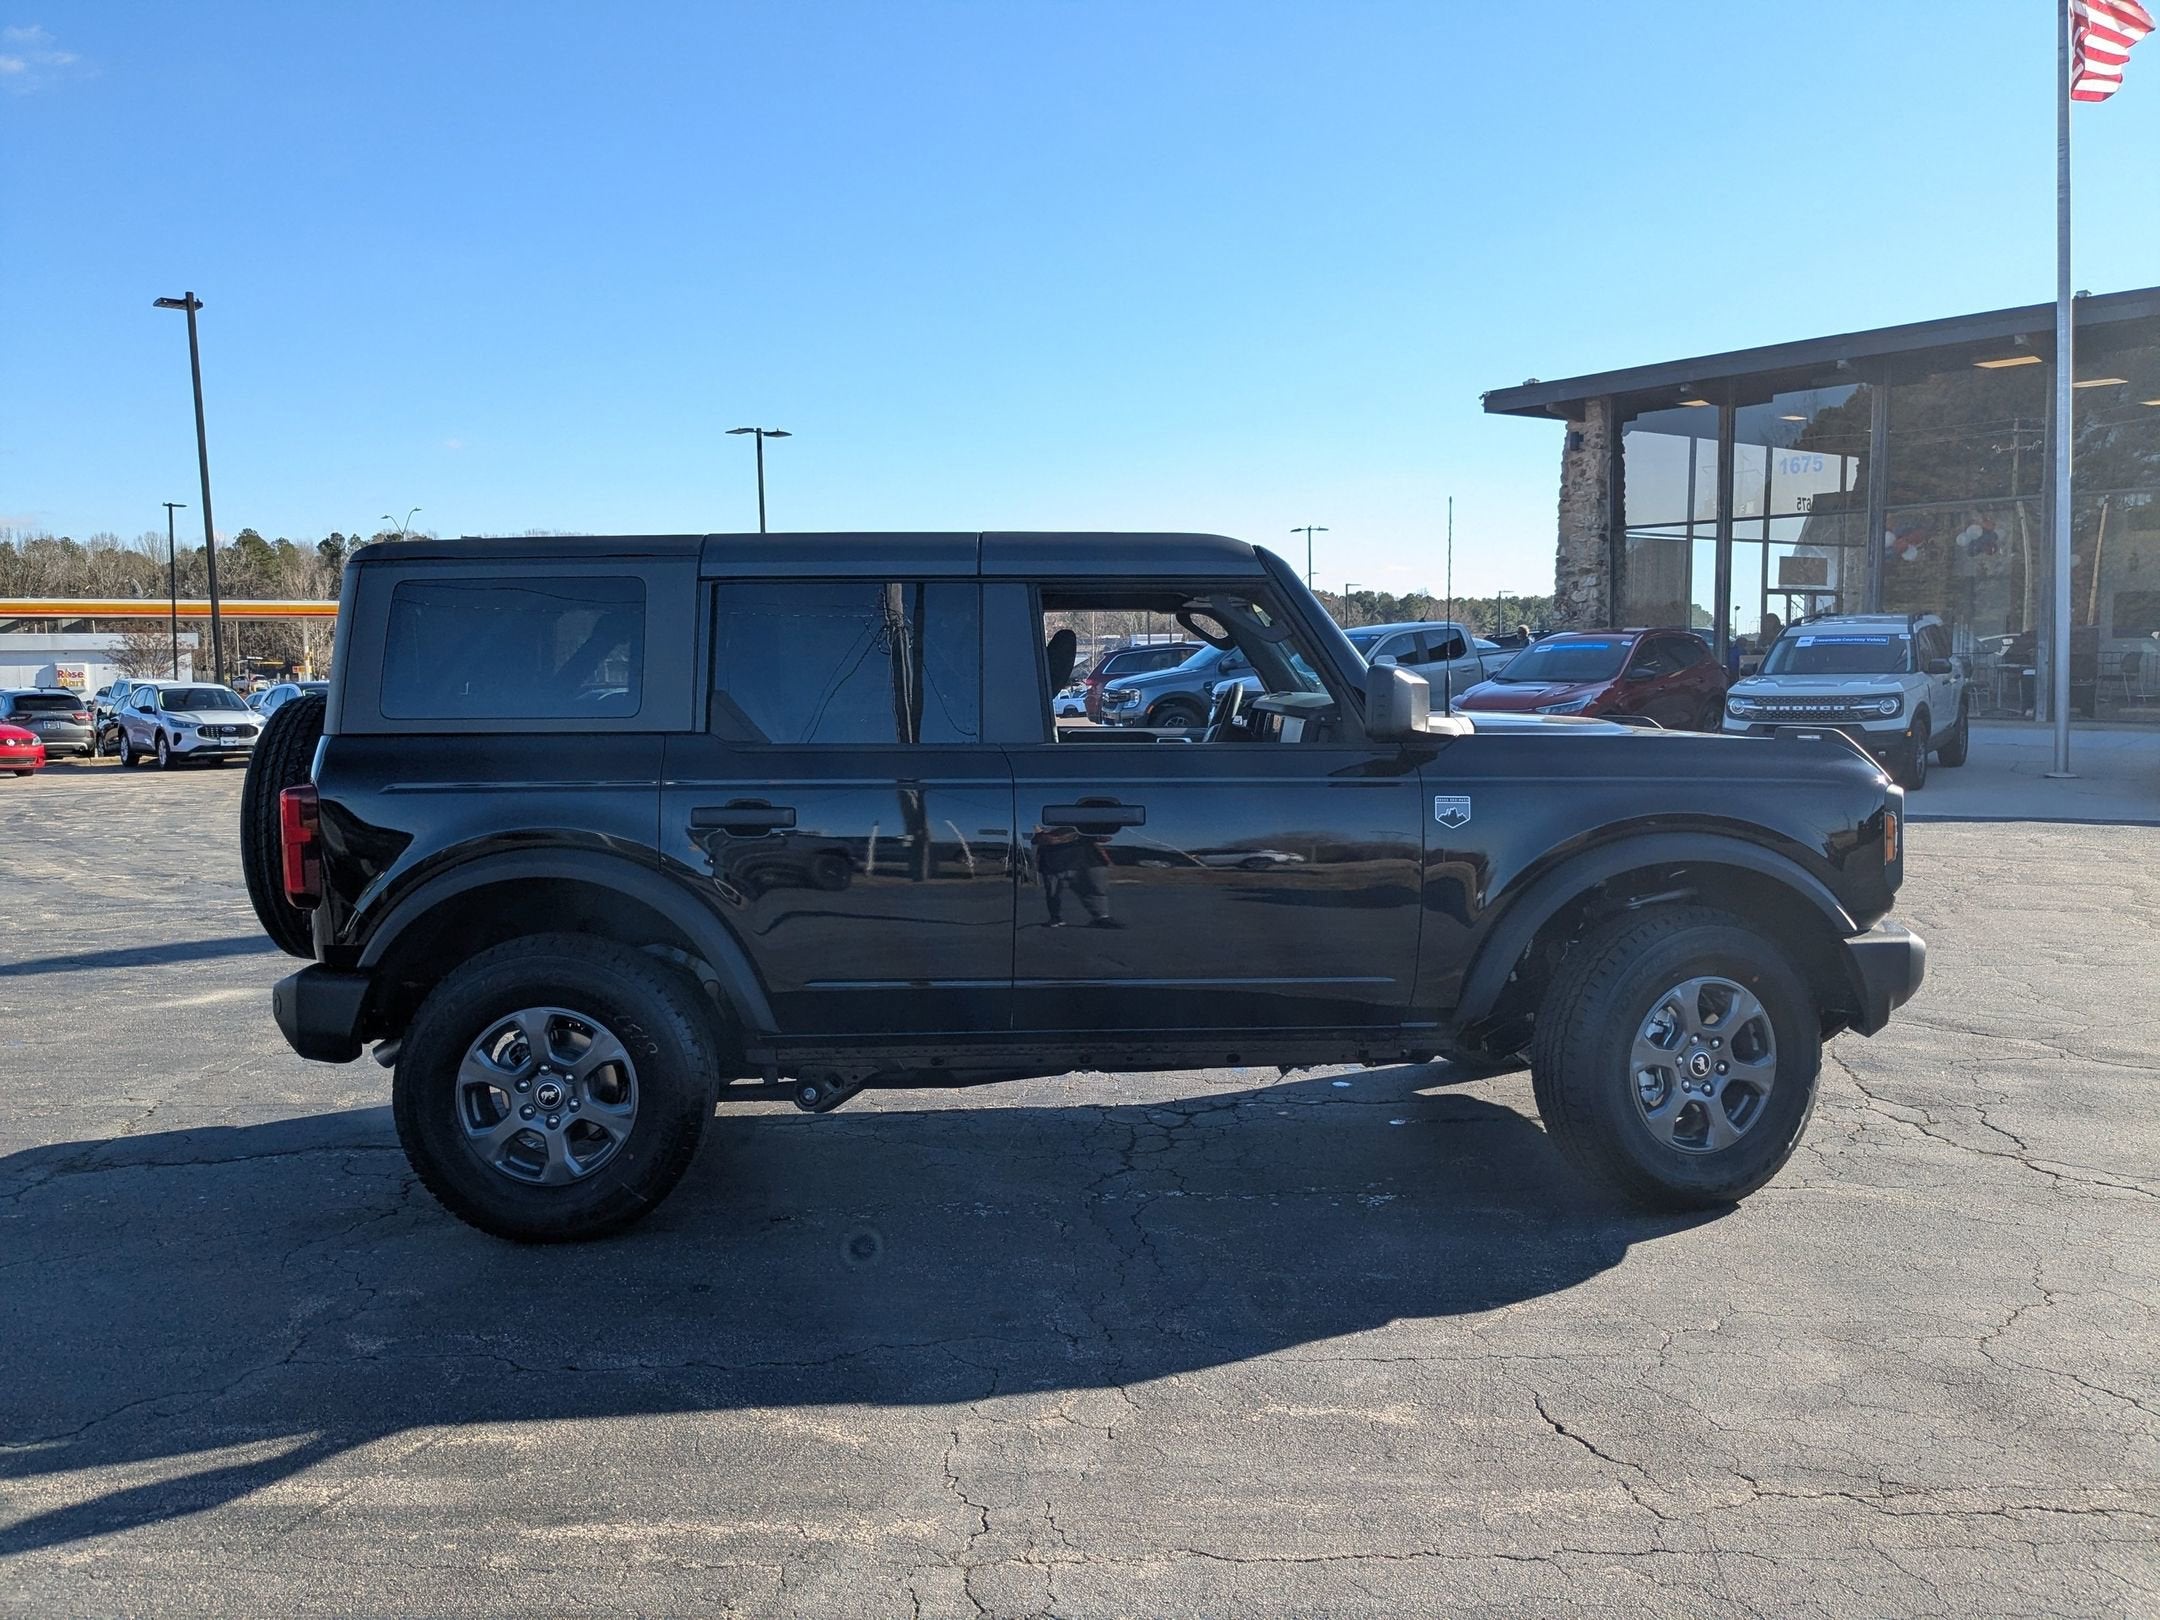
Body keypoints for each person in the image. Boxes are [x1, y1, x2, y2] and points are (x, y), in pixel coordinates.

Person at [1031, 824, 1118, 927]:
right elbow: (1042, 840)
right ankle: (1055, 918)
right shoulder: (1044, 831)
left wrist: (1103, 854)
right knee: (1052, 893)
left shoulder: (1076, 827)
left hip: (1075, 864)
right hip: (1052, 865)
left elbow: (1099, 840)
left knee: (1089, 890)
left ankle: (1101, 917)